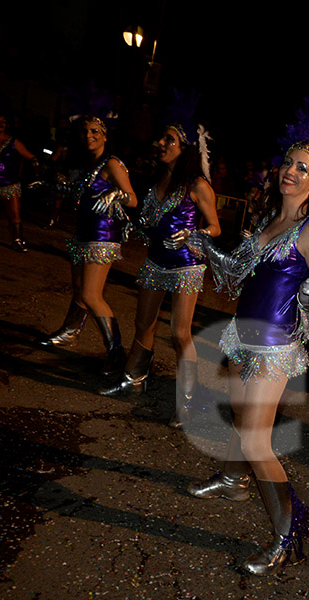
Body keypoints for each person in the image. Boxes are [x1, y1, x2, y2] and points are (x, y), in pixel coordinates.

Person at [184, 91, 309, 576]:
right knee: (242, 417)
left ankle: (288, 531)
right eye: (287, 163)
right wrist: (203, 246)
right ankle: (235, 480)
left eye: (302, 168)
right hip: (242, 335)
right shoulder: (267, 220)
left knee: (258, 440)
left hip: (275, 346)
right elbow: (237, 274)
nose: (291, 172)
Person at [100, 119, 220, 431]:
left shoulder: (197, 185)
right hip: (155, 263)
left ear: (185, 148)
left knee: (180, 333)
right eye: (161, 139)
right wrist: (128, 221)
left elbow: (216, 228)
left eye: (169, 140)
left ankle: (188, 404)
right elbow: (150, 221)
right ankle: (134, 378)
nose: (161, 144)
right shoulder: (156, 182)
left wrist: (192, 235)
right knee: (143, 324)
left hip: (186, 266)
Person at [40, 113, 138, 374]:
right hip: (83, 233)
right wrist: (56, 184)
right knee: (78, 288)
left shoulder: (113, 162)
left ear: (105, 135)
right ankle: (71, 332)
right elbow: (81, 195)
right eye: (85, 132)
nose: (89, 136)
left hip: (102, 236)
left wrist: (116, 192)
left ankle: (117, 353)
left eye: (95, 131)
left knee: (90, 294)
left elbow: (133, 199)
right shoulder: (89, 162)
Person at [0, 111, 39, 252]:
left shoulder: (13, 141)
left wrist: (36, 165)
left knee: (14, 215)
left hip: (9, 184)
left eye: (3, 122)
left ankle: (17, 240)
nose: (0, 125)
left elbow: (30, 157)